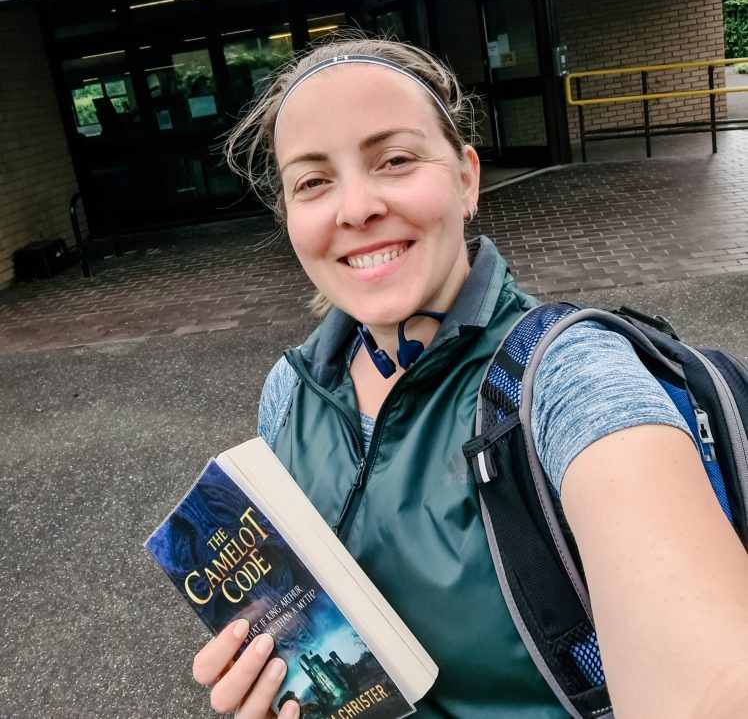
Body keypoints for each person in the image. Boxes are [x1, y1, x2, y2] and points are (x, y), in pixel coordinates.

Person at [192, 38, 748, 719]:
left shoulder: (565, 377)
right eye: (313, 180)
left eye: (393, 159)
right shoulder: (289, 391)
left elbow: (714, 682)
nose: (355, 206)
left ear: (466, 178)